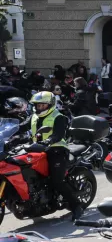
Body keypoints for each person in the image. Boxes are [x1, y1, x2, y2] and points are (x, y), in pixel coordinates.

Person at [26, 91, 82, 220]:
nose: (39, 108)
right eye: (37, 105)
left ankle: (76, 206)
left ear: (50, 105)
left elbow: (58, 134)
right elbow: (22, 127)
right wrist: (10, 136)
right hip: (38, 150)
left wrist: (48, 141)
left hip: (56, 150)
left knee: (57, 181)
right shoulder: (33, 116)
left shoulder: (59, 117)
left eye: (42, 105)